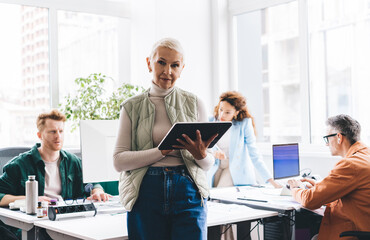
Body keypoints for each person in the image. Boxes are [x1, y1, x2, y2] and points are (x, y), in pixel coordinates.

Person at [113, 38, 217, 240]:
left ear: (182, 68)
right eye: (161, 62)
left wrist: (201, 155)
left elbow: (207, 164)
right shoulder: (131, 106)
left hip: (188, 190)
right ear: (149, 63)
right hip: (145, 192)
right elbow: (119, 161)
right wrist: (161, 151)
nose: (167, 71)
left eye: (175, 65)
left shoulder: (195, 103)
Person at [0, 109, 111, 238]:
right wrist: (32, 200)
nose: (58, 136)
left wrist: (97, 191)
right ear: (40, 135)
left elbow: (93, 182)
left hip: (67, 224)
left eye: (61, 131)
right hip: (36, 226)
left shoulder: (73, 161)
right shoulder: (19, 165)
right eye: (52, 131)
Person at [208, 91, 280, 240]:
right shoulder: (211, 120)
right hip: (216, 167)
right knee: (212, 204)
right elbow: (205, 145)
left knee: (219, 199)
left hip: (234, 169)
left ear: (236, 112)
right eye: (221, 109)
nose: (222, 114)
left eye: (227, 112)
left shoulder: (243, 124)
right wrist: (214, 152)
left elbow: (254, 153)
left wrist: (271, 180)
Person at [288, 114, 370, 240]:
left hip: (353, 234)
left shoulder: (350, 165)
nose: (326, 144)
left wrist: (295, 189)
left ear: (339, 137)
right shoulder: (365, 155)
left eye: (327, 138)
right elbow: (353, 195)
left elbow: (310, 200)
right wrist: (318, 187)